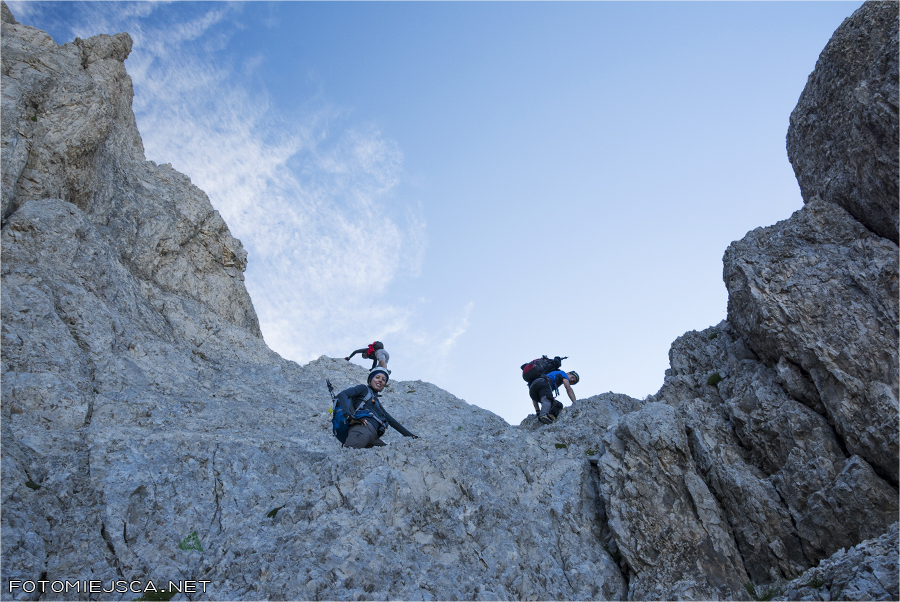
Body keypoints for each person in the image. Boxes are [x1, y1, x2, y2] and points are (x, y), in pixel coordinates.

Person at [336, 367, 417, 448]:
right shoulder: (363, 389)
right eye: (377, 377)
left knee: (388, 458)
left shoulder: (376, 401)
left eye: (384, 380)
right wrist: (348, 416)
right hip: (362, 429)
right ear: (371, 379)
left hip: (374, 437)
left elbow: (391, 421)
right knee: (350, 456)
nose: (380, 380)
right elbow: (343, 394)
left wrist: (411, 436)